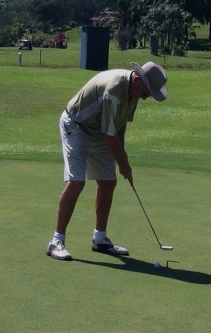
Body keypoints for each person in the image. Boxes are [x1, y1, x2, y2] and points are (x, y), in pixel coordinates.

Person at [47, 61, 168, 261]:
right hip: (76, 128)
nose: (146, 97)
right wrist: (124, 164)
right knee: (76, 182)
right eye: (146, 91)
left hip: (100, 132)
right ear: (137, 79)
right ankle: (56, 241)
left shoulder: (134, 92)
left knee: (108, 182)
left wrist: (123, 157)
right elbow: (110, 136)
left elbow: (120, 126)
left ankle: (100, 238)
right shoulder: (113, 91)